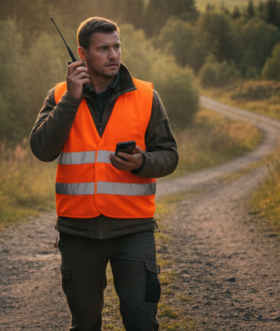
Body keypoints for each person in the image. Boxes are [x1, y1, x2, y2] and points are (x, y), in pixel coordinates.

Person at [30, 17, 179, 331]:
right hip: (78, 233)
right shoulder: (60, 95)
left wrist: (142, 162)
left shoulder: (146, 95)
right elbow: (42, 149)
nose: (114, 55)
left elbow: (169, 155)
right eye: (103, 49)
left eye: (117, 46)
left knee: (142, 322)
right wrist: (71, 99)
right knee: (84, 324)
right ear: (82, 54)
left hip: (133, 230)